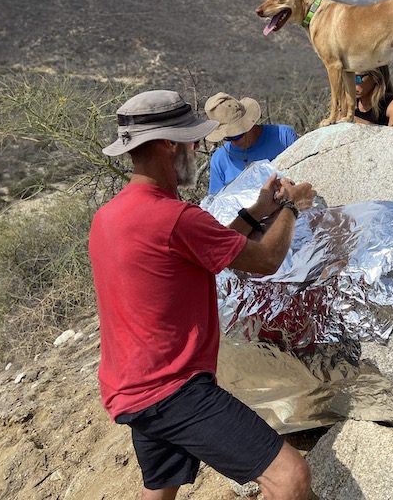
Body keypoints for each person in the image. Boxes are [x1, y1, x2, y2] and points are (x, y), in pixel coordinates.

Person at [89, 90, 315, 500]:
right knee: (290, 477)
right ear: (169, 145)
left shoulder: (107, 218)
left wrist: (257, 211)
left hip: (130, 388)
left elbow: (215, 249)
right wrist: (292, 209)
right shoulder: (175, 217)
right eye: (191, 141)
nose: (196, 151)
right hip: (173, 389)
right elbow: (264, 260)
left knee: (159, 488)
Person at [205, 92, 298, 194]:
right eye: (228, 138)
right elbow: (216, 202)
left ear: (249, 124)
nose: (234, 142)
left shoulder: (283, 137)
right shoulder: (219, 160)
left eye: (237, 136)